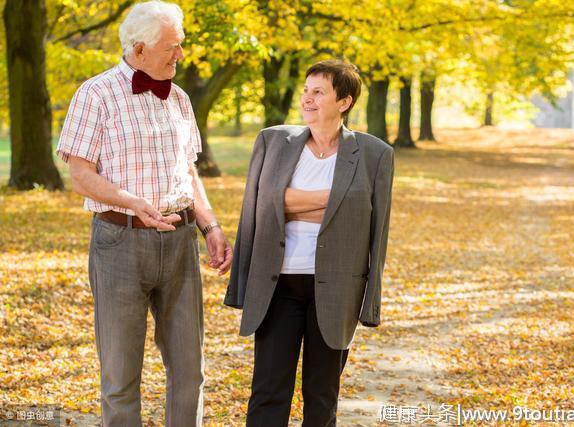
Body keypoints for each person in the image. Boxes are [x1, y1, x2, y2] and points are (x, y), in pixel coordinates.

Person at [55, 1, 232, 425]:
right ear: (138, 50)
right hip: (120, 244)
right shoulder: (95, 94)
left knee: (190, 372)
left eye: (181, 45)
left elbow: (187, 171)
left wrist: (210, 225)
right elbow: (81, 175)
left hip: (179, 243)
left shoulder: (181, 99)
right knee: (120, 377)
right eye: (172, 47)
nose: (181, 55)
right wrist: (130, 201)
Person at [225, 59, 394, 426]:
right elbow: (261, 208)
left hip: (336, 291)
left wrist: (292, 203)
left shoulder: (374, 154)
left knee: (322, 397)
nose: (308, 98)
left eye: (319, 92)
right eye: (306, 90)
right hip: (277, 285)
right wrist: (335, 202)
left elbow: (376, 230)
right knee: (268, 392)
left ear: (344, 102)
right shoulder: (273, 141)